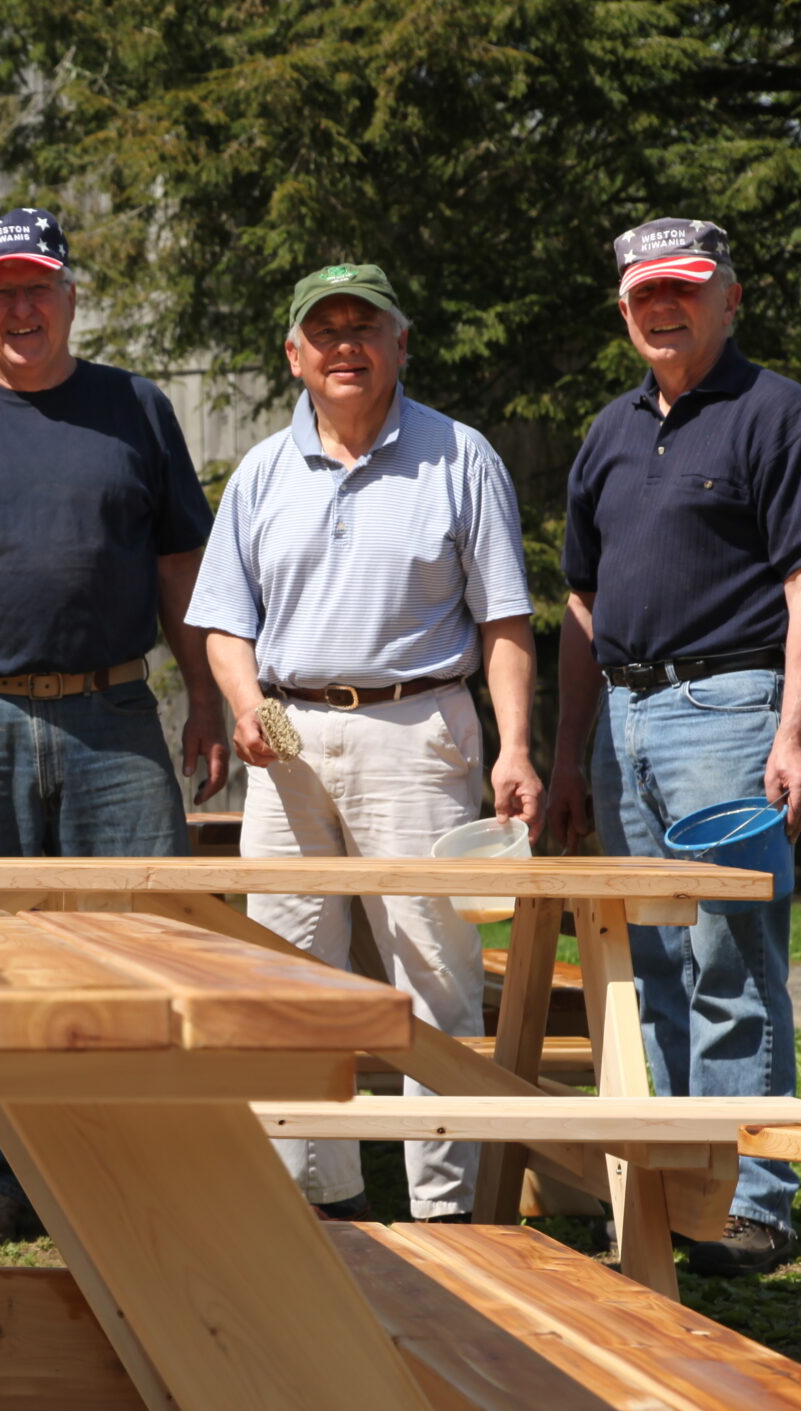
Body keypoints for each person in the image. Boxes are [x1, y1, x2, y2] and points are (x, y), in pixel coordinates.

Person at [0, 207, 226, 1250]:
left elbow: (176, 568)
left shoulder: (135, 409)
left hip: (113, 714)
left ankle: (138, 1162)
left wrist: (200, 692)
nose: (22, 309)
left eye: (39, 289)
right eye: (1, 292)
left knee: (146, 945)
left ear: (70, 298)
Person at [190, 262, 543, 1223]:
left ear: (398, 343)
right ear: (295, 353)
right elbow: (223, 620)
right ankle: (312, 1202)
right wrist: (243, 699)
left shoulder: (459, 456)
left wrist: (515, 748)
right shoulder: (262, 469)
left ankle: (450, 1210)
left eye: (364, 326)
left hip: (418, 726)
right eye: (325, 329)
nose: (344, 345)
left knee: (433, 971)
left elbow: (506, 620)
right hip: (289, 738)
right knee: (284, 972)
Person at [548, 219, 801, 1277]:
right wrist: (566, 754)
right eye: (643, 295)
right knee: (650, 967)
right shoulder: (609, 432)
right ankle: (670, 1190)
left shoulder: (776, 416)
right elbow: (580, 604)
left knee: (729, 957)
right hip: (622, 721)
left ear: (729, 296)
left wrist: (794, 732)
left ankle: (752, 1200)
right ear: (622, 309)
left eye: (683, 288)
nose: (662, 308)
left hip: (729, 711)